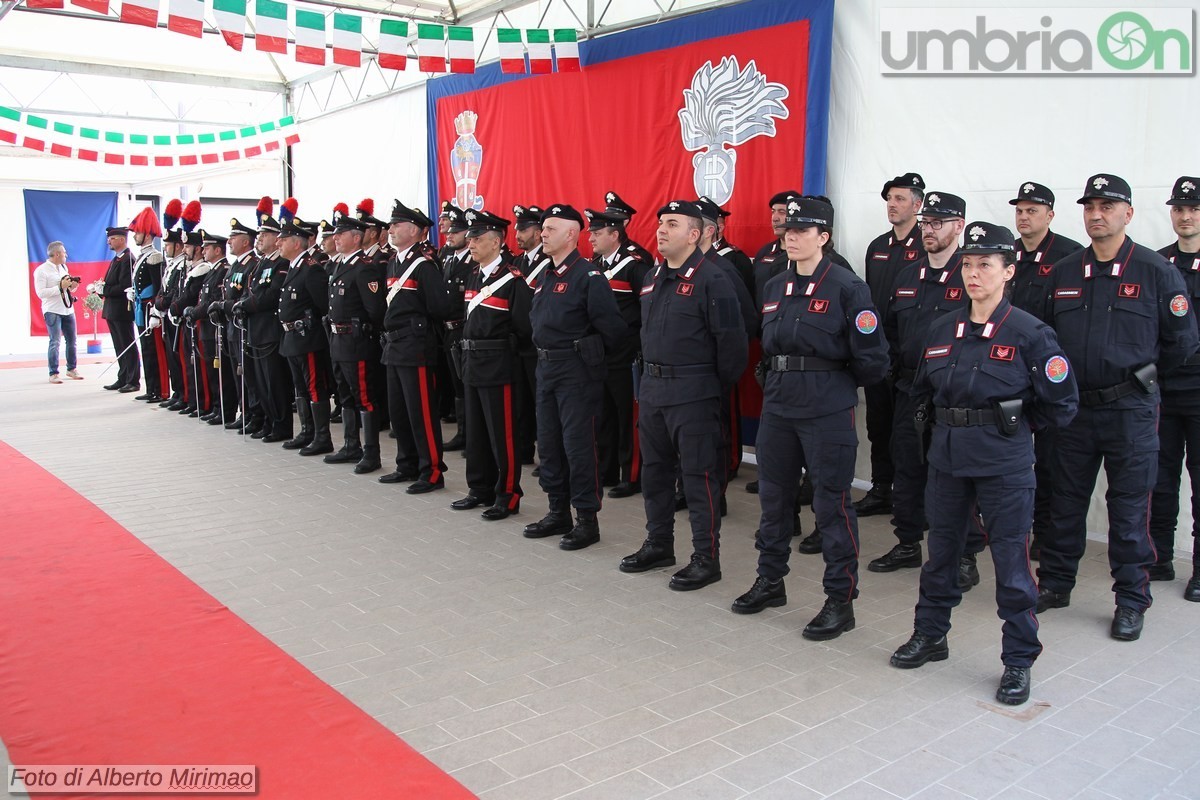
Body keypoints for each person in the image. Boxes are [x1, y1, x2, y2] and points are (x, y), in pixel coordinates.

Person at [890, 220, 1078, 707]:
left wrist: (1010, 428)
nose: (973, 274)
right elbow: (922, 392)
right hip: (948, 460)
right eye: (968, 264)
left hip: (1003, 464)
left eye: (985, 265)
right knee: (942, 556)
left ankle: (1018, 659)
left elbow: (1061, 405)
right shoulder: (942, 329)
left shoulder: (1031, 333)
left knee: (1011, 564)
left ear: (1007, 270)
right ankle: (931, 635)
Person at [1038, 173, 1198, 641]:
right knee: (1065, 502)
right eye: (1089, 206)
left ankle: (1131, 599)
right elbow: (1046, 340)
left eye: (1107, 206)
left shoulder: (1155, 271)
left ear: (1128, 213)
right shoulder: (1065, 272)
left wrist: (1137, 379)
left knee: (1128, 510)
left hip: (1130, 411)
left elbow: (1181, 343)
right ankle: (1055, 583)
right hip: (1075, 411)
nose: (1096, 214)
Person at [735, 197, 888, 641]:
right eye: (788, 231)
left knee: (831, 506)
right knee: (774, 499)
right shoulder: (774, 286)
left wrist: (832, 385)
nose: (792, 237)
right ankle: (771, 580)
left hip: (826, 409)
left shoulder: (847, 287)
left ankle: (840, 600)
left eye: (803, 231)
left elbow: (873, 359)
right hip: (780, 408)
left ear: (824, 237)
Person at [618, 200, 747, 590]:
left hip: (694, 394)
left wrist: (708, 388)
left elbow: (733, 346)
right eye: (660, 223)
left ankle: (706, 559)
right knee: (655, 474)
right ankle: (659, 543)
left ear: (695, 234)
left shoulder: (714, 278)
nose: (661, 229)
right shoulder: (655, 275)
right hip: (654, 390)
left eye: (672, 224)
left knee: (699, 478)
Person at [873, 191, 979, 584]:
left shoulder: (970, 274)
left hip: (952, 392)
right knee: (907, 465)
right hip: (909, 387)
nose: (929, 230)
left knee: (955, 472)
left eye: (938, 223)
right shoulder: (908, 274)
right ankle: (907, 541)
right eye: (925, 222)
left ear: (959, 226)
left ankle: (965, 554)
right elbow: (890, 331)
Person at [522, 205, 628, 550]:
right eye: (543, 228)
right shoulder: (546, 275)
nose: (543, 234)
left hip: (576, 372)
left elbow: (613, 329)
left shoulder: (588, 276)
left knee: (578, 446)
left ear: (571, 234)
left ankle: (586, 519)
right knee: (549, 444)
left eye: (550, 228)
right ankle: (558, 511)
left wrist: (588, 358)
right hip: (546, 369)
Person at [1007, 181, 1084, 559]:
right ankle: (1013, 527)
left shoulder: (1070, 256)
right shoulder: (1006, 255)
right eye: (1019, 210)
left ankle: (1046, 533)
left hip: (1049, 374)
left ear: (1050, 215)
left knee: (1053, 461)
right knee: (1012, 458)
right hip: (1009, 373)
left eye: (1032, 210)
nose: (1024, 217)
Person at [452, 209, 533, 518]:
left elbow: (524, 327)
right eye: (470, 238)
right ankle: (479, 488)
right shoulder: (474, 275)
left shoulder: (512, 279)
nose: (471, 243)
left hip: (499, 365)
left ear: (497, 242)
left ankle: (508, 493)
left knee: (503, 434)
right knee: (476, 432)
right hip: (472, 363)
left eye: (478, 238)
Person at [858, 172, 925, 518]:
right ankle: (882, 487)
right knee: (878, 424)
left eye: (899, 199)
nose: (892, 205)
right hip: (878, 353)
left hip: (911, 356)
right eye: (889, 199)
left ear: (917, 204)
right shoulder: (878, 246)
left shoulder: (927, 245)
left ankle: (914, 496)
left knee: (911, 432)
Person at [378, 200, 455, 490]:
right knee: (399, 411)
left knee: (421, 411)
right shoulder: (393, 263)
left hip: (416, 345)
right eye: (392, 225)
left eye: (397, 225)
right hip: (394, 346)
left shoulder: (424, 265)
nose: (391, 230)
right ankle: (406, 463)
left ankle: (432, 470)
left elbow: (439, 306)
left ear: (414, 230)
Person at [1149, 176, 1200, 601]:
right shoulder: (1159, 265)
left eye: (1194, 209)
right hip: (1164, 389)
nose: (1185, 216)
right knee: (1159, 478)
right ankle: (1158, 556)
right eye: (1180, 209)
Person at [586, 205, 649, 498]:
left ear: (615, 234)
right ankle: (606, 469)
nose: (591, 238)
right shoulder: (595, 263)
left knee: (627, 416)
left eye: (597, 233)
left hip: (626, 353)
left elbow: (647, 307)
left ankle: (632, 474)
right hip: (600, 352)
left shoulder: (634, 264)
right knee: (603, 413)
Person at [324, 215, 387, 474]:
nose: (335, 238)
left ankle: (371, 453)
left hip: (357, 341)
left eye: (342, 234)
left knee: (364, 397)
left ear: (357, 237)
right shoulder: (339, 265)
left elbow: (374, 309)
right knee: (345, 395)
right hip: (339, 340)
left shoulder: (365, 267)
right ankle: (351, 445)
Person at [276, 217, 335, 456]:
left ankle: (322, 437)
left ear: (297, 244)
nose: (279, 243)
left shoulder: (311, 269)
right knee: (299, 387)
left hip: (307, 337)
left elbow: (323, 305)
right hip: (292, 338)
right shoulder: (293, 267)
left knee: (314, 387)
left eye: (284, 239)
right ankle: (307, 431)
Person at [33, 241, 82, 384]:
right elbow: (40, 293)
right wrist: (60, 287)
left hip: (68, 309)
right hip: (52, 310)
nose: (66, 254)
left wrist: (72, 287)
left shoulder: (63, 267)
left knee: (72, 341)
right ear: (57, 254)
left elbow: (67, 288)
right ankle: (53, 373)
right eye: (64, 252)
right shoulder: (41, 270)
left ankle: (71, 369)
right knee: (55, 341)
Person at [100, 225, 140, 393]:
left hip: (122, 309)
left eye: (112, 238)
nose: (109, 240)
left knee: (127, 345)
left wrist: (105, 290)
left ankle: (132, 380)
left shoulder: (128, 259)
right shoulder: (117, 258)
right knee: (119, 346)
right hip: (112, 309)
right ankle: (123, 377)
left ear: (122, 239)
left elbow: (125, 285)